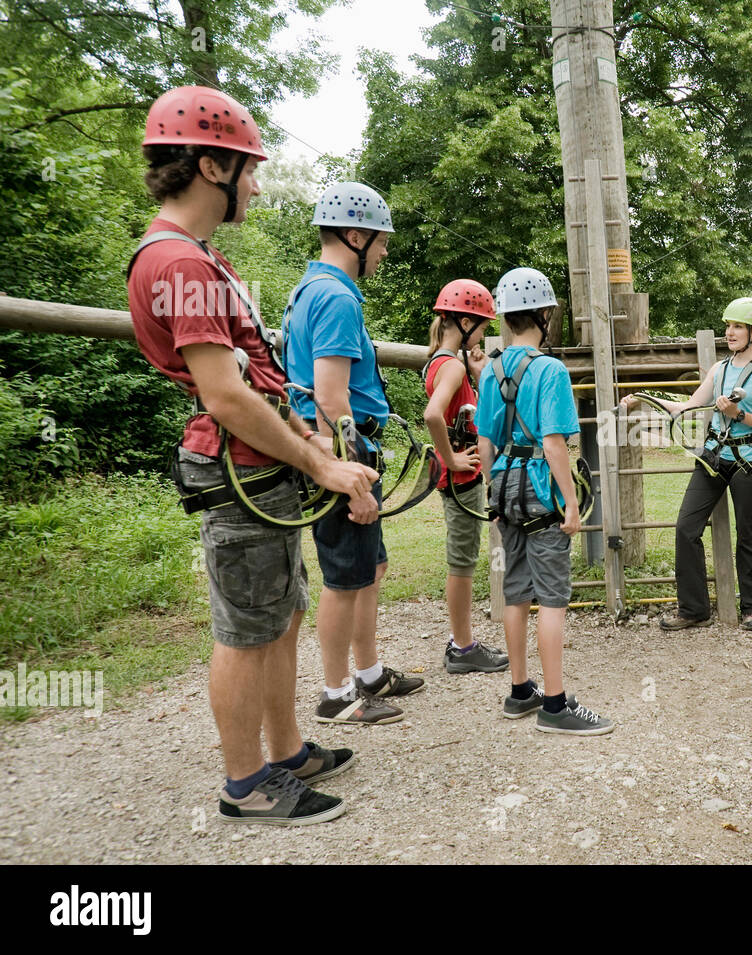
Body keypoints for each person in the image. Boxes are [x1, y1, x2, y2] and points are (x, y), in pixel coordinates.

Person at [127, 86, 379, 824]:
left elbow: (254, 379)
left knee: (280, 613)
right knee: (246, 630)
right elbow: (226, 396)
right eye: (250, 168)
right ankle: (248, 783)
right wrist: (322, 464)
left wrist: (305, 440)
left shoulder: (201, 258)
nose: (259, 184)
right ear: (211, 165)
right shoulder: (177, 263)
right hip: (237, 467)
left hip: (259, 468)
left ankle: (288, 748)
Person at [283, 181, 424, 726]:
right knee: (345, 578)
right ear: (356, 234)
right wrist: (351, 478)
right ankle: (336, 694)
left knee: (372, 565)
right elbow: (330, 395)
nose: (385, 252)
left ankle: (368, 672)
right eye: (382, 241)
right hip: (344, 452)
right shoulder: (338, 296)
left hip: (343, 448)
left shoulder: (310, 289)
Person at [477, 267, 614, 735]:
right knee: (552, 599)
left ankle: (520, 692)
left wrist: (491, 491)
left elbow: (485, 443)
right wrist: (572, 505)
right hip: (540, 491)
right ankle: (555, 705)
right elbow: (554, 444)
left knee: (515, 592)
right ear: (543, 313)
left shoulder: (491, 369)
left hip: (503, 489)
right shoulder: (550, 370)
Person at [621, 297, 752, 631]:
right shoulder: (720, 369)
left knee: (748, 534)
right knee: (686, 527)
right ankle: (694, 609)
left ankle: (751, 608)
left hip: (749, 460)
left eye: (738, 326)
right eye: (728, 326)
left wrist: (738, 414)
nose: (730, 332)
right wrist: (643, 398)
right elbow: (688, 407)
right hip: (714, 457)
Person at [421, 278, 509, 674]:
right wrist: (452, 459)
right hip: (461, 480)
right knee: (462, 562)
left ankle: (462, 640)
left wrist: (475, 374)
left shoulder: (442, 361)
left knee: (464, 558)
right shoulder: (451, 365)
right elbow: (433, 415)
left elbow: (459, 411)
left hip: (460, 479)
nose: (486, 332)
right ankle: (461, 646)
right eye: (483, 324)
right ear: (465, 322)